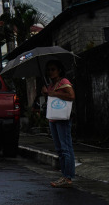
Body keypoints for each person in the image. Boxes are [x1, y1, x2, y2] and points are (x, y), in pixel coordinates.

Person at [42, 59, 76, 188]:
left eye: (53, 69)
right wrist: (46, 93)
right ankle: (65, 175)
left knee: (66, 148)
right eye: (49, 70)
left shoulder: (64, 82)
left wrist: (54, 93)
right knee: (60, 149)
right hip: (53, 118)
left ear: (59, 70)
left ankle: (67, 176)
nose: (50, 72)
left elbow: (71, 96)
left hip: (63, 119)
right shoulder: (51, 85)